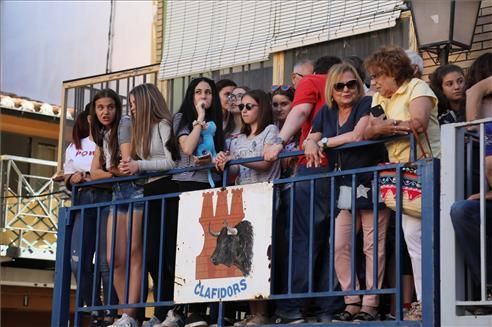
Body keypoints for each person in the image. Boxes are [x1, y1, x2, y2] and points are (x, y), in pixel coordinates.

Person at [304, 63, 390, 322]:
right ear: (332, 88)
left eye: (351, 84)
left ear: (358, 84)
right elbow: (311, 135)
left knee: (373, 245)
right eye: (340, 85)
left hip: (372, 178)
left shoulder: (367, 102)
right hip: (345, 185)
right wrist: (310, 141)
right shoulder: (326, 111)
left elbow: (358, 135)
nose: (346, 90)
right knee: (339, 243)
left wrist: (324, 143)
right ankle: (351, 300)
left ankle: (371, 304)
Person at [264, 55, 344, 323]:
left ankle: (293, 307)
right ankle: (326, 307)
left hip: (313, 169)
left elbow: (299, 112)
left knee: (304, 240)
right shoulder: (351, 89)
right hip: (340, 170)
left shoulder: (313, 80)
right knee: (331, 241)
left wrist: (279, 141)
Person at [363, 47, 441, 321]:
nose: (373, 83)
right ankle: (424, 301)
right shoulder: (377, 97)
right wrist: (393, 126)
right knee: (414, 239)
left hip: (431, 170)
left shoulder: (417, 86)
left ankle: (432, 300)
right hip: (404, 176)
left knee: (432, 237)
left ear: (393, 72)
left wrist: (387, 126)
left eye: (377, 76)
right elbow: (369, 129)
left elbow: (418, 122)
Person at [117, 84, 181, 327]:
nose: (131, 109)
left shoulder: (162, 125)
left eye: (134, 104)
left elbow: (171, 162)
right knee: (151, 254)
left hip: (165, 189)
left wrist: (138, 166)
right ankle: (161, 308)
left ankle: (169, 309)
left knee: (165, 252)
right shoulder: (139, 131)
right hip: (150, 191)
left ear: (145, 103)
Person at [215, 89, 280, 325]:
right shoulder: (237, 139)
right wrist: (222, 162)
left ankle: (263, 313)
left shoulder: (270, 131)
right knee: (247, 257)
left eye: (249, 106)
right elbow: (234, 171)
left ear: (261, 108)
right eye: (242, 107)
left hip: (264, 197)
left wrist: (236, 160)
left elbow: (265, 163)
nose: (243, 111)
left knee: (262, 255)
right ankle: (253, 311)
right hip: (243, 199)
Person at [172, 77, 224, 327]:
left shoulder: (217, 124)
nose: (203, 96)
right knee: (189, 248)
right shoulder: (182, 118)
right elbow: (188, 147)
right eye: (198, 92)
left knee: (209, 249)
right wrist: (199, 120)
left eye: (208, 93)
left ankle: (205, 309)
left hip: (210, 186)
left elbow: (217, 153)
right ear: (191, 96)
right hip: (187, 185)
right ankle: (185, 308)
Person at [90, 89, 143, 327]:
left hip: (135, 191)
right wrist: (111, 171)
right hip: (118, 194)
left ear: (117, 108)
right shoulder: (103, 134)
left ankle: (130, 314)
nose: (105, 112)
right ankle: (126, 313)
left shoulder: (124, 125)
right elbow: (94, 172)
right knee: (113, 259)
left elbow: (123, 167)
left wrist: (110, 171)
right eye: (100, 107)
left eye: (110, 106)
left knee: (134, 254)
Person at [64, 104, 116, 326]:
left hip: (107, 197)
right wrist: (71, 179)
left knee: (107, 259)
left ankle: (109, 310)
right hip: (82, 199)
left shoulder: (111, 139)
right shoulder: (73, 147)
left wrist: (93, 175)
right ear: (87, 118)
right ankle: (94, 303)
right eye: (96, 112)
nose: (102, 115)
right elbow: (65, 176)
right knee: (77, 261)